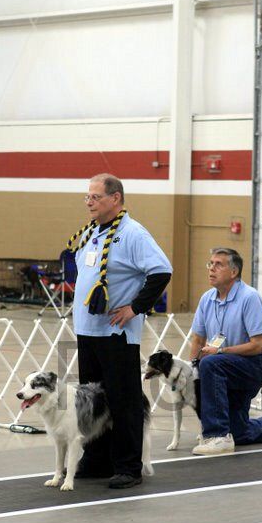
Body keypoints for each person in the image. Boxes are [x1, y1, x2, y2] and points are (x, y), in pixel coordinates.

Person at [70, 173, 172, 488]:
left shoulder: (132, 233)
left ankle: (128, 466)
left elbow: (161, 271)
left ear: (115, 198)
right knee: (92, 399)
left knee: (123, 400)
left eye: (96, 197)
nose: (89, 202)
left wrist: (135, 307)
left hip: (116, 334)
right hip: (88, 330)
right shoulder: (91, 233)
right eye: (87, 196)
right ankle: (97, 458)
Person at [190, 247, 262, 456]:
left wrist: (222, 351)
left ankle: (217, 436)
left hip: (256, 363)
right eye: (210, 264)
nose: (211, 269)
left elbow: (258, 345)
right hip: (226, 365)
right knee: (239, 432)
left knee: (210, 364)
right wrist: (192, 370)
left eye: (218, 264)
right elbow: (198, 339)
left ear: (234, 272)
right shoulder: (206, 299)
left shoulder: (249, 297)